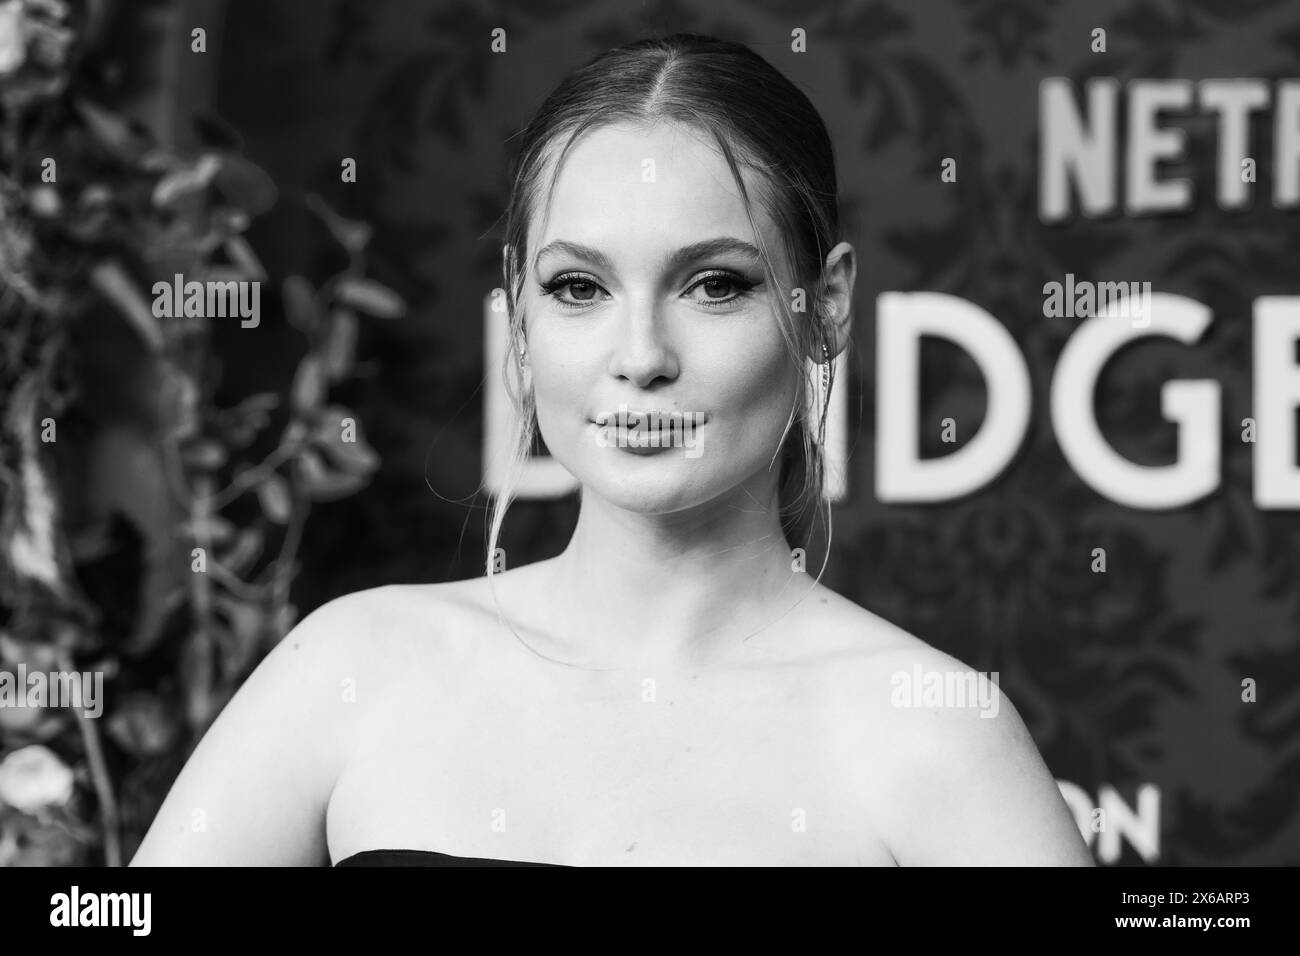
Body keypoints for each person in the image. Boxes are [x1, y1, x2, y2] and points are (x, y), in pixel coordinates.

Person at [131, 33, 1093, 867]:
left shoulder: (934, 733)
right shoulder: (352, 667)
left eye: (715, 284)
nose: (641, 359)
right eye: (579, 288)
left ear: (825, 303)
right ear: (520, 309)